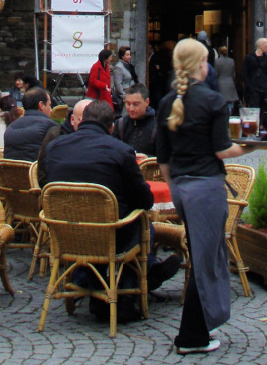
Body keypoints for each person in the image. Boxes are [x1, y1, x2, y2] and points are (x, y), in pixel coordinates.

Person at [156, 38, 254, 356]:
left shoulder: (166, 101)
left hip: (182, 188)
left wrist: (174, 190)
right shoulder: (213, 101)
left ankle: (197, 328)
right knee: (205, 260)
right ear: (202, 63)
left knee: (202, 256)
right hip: (207, 188)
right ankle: (192, 336)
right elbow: (222, 149)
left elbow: (163, 159)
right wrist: (252, 146)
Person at [41, 99, 180, 309]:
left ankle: (87, 281)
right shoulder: (121, 151)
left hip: (66, 234)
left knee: (106, 223)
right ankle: (134, 284)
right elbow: (144, 200)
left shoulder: (54, 148)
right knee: (143, 224)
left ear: (81, 121)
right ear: (112, 126)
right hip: (110, 236)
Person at [3, 87, 60, 161]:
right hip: (36, 171)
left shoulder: (10, 127)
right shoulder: (50, 126)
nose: (51, 110)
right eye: (49, 105)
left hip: (11, 171)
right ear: (41, 105)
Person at [115, 84, 156, 156]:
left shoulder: (157, 127)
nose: (131, 109)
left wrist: (148, 159)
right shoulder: (120, 124)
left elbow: (165, 158)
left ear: (147, 102)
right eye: (128, 104)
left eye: (135, 104)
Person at [241, 38, 267, 109]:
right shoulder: (249, 58)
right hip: (253, 91)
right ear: (261, 46)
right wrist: (250, 87)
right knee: (253, 112)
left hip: (264, 90)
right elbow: (245, 74)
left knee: (265, 113)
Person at [214, 46, 238, 113]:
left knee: (221, 101)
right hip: (230, 82)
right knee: (230, 101)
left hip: (220, 83)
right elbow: (233, 74)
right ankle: (229, 112)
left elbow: (216, 74)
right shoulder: (231, 61)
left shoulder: (217, 61)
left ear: (219, 52)